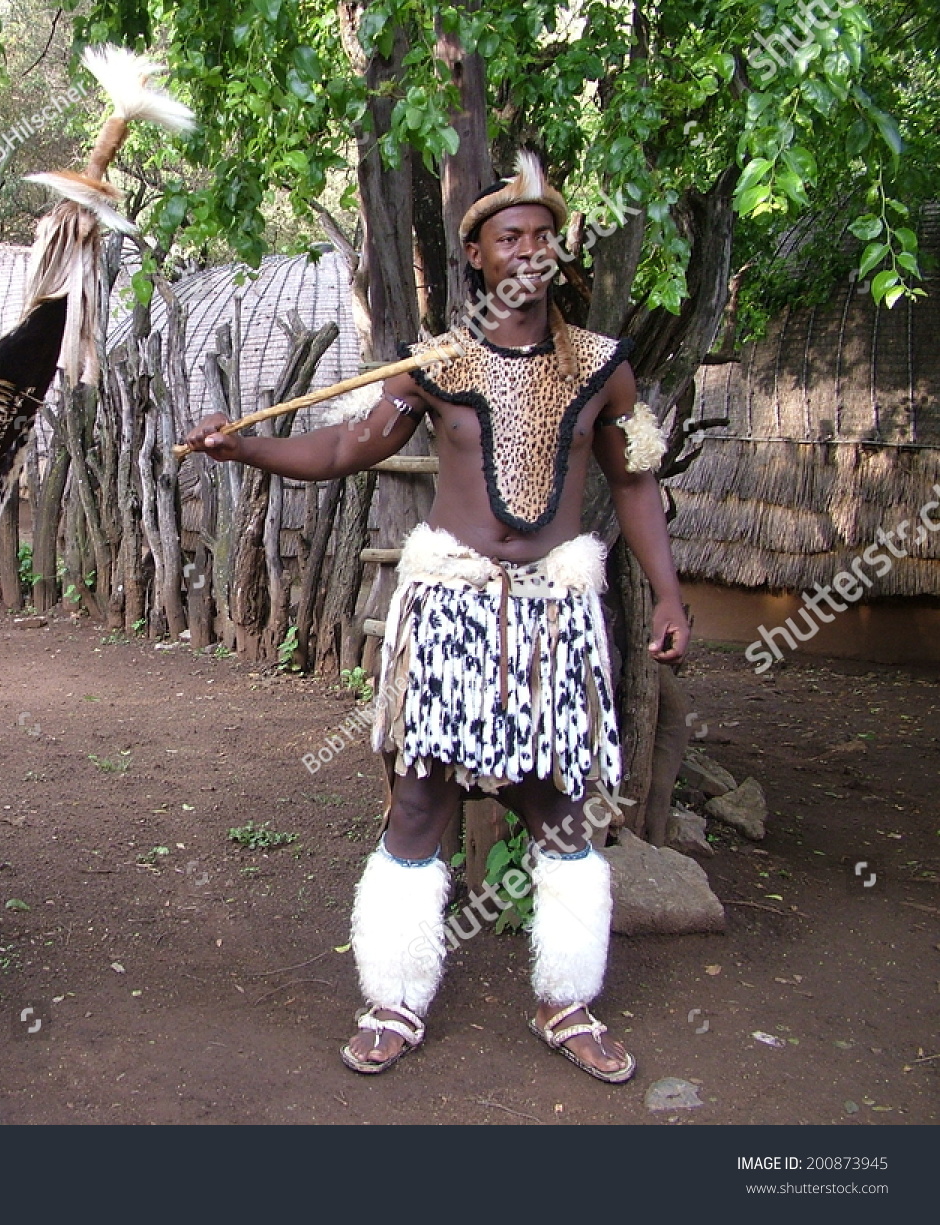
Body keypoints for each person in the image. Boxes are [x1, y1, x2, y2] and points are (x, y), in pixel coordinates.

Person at [182, 151, 689, 1084]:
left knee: (564, 807)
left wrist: (666, 591)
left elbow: (635, 480)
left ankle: (565, 1000)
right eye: (509, 238)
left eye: (542, 235)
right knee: (420, 800)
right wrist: (248, 446)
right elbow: (345, 443)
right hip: (449, 615)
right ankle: (394, 999)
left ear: (558, 252)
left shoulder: (604, 370)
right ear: (479, 259)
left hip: (554, 620)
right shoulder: (436, 367)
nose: (529, 250)